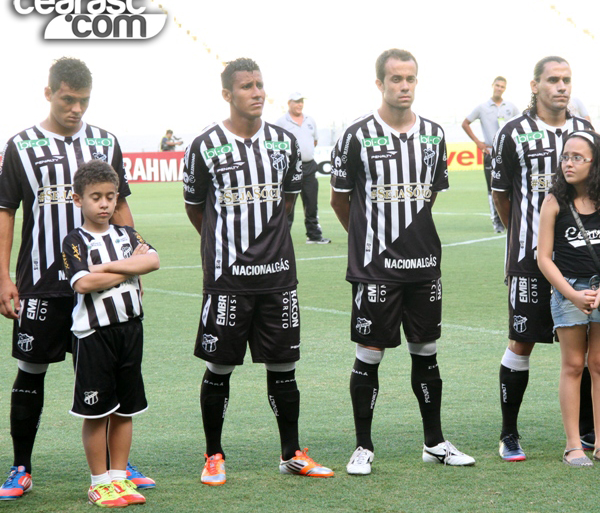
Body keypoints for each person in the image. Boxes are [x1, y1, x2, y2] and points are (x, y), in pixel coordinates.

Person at [0, 57, 154, 501]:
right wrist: (4, 276)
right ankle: (21, 466)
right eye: (68, 100)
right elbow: (6, 210)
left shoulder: (105, 142)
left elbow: (121, 205)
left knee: (109, 375)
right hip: (43, 283)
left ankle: (115, 468)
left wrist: (133, 262)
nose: (76, 109)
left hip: (103, 285)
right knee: (31, 370)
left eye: (84, 101)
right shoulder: (21, 145)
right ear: (48, 93)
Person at [183, 58, 333, 485]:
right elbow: (196, 209)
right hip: (227, 279)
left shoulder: (284, 143)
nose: (257, 92)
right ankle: (214, 455)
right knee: (219, 367)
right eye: (247, 86)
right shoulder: (204, 145)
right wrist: (228, 248)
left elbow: (287, 203)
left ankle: (291, 453)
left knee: (284, 366)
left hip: (277, 276)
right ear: (227, 94)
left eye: (260, 84)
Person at [331, 48, 475, 475]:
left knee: (426, 352)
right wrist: (370, 240)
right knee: (369, 354)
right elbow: (340, 199)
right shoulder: (356, 136)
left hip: (424, 264)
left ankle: (434, 443)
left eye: (410, 78)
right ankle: (363, 447)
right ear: (380, 84)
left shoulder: (433, 135)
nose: (404, 86)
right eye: (396, 79)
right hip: (375, 268)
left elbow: (428, 197)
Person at [491, 56, 600, 462]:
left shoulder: (585, 129)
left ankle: (590, 432)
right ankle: (509, 433)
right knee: (522, 341)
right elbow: (501, 195)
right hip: (530, 259)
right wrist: (527, 237)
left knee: (586, 350)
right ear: (535, 85)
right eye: (553, 80)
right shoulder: (512, 133)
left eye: (567, 79)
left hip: (584, 263)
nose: (561, 86)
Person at [62, 160, 160, 506]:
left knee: (125, 409)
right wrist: (128, 268)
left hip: (130, 331)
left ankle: (119, 479)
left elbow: (152, 261)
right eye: (95, 197)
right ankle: (99, 482)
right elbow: (83, 283)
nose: (104, 204)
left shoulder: (127, 234)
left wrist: (104, 267)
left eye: (110, 197)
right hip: (94, 335)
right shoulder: (75, 241)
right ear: (78, 199)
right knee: (97, 411)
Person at [537, 130, 600, 466]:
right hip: (569, 291)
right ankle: (573, 445)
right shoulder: (554, 201)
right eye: (565, 157)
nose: (568, 163)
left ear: (597, 163)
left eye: (577, 158)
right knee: (574, 365)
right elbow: (543, 258)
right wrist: (571, 294)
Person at [462, 77, 520, 233]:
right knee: (493, 188)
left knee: (513, 186)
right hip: (490, 152)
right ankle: (497, 222)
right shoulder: (482, 107)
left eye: (502, 86)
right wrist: (478, 143)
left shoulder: (511, 107)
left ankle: (514, 217)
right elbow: (465, 123)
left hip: (510, 153)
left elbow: (521, 124)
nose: (499, 88)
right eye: (497, 85)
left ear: (505, 89)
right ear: (492, 86)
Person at [274, 92, 330, 244]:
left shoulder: (310, 120)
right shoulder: (281, 122)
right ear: (289, 103)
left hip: (309, 166)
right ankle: (282, 238)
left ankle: (314, 235)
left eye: (301, 102)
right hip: (290, 168)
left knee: (311, 203)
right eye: (296, 101)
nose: (300, 104)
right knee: (288, 204)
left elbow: (314, 141)